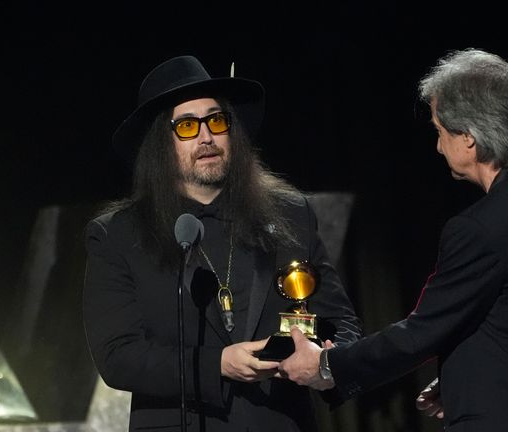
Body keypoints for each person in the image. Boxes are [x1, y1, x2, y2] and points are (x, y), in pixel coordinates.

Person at [279, 48, 508, 431]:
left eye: (440, 131)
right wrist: (466, 381)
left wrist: (327, 366)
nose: (437, 146)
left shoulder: (479, 228)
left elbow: (421, 333)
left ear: (468, 138)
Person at [82, 55, 362, 431]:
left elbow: (340, 320)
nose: (206, 137)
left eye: (216, 120)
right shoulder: (117, 236)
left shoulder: (290, 213)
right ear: (159, 145)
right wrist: (217, 365)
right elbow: (118, 357)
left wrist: (327, 364)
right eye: (186, 126)